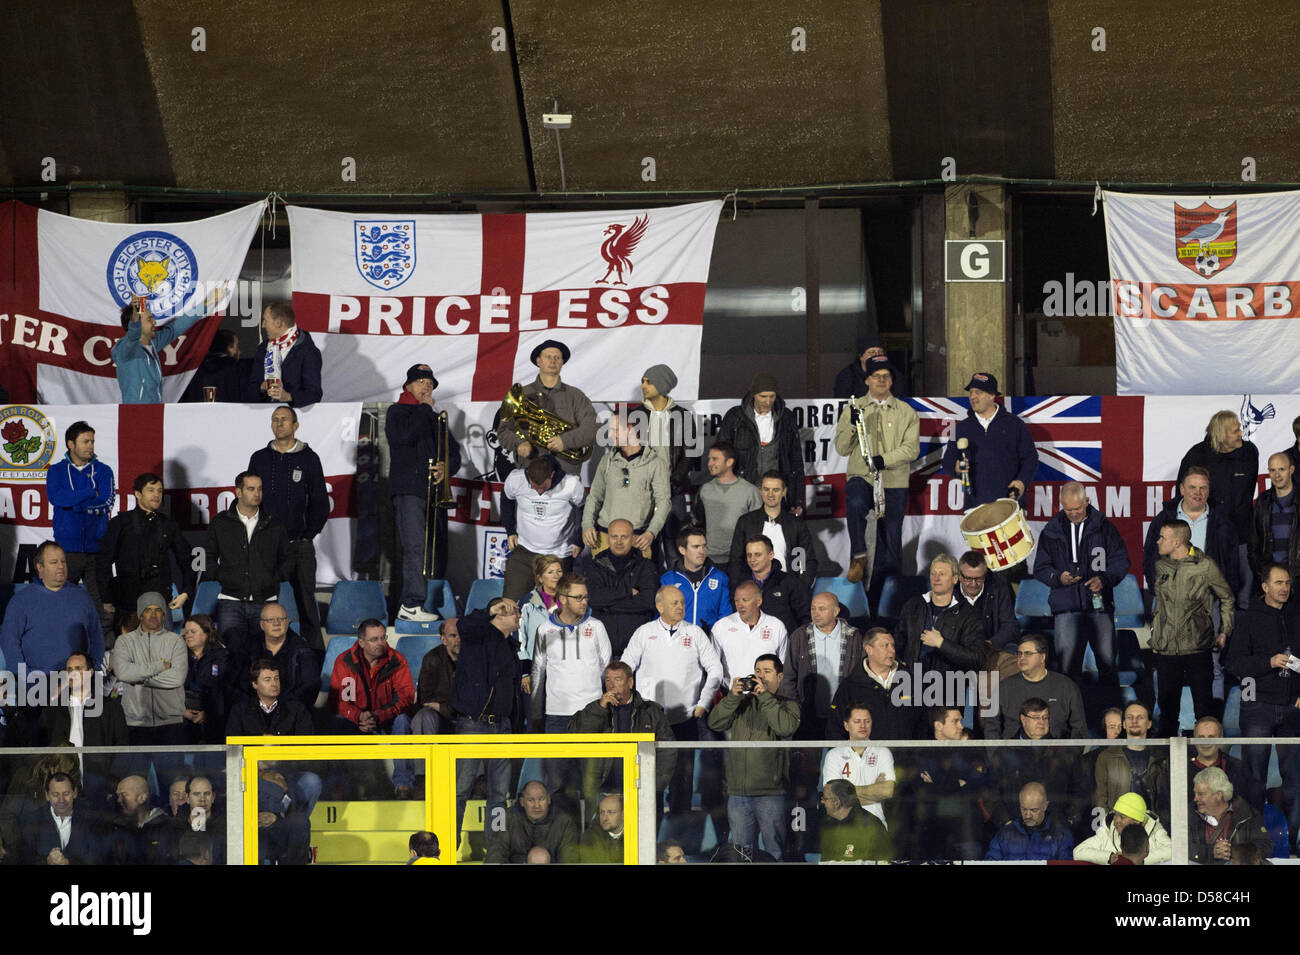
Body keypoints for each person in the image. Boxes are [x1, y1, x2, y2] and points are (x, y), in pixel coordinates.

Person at [622, 586, 723, 813]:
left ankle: (679, 837)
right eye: (674, 603)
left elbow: (715, 669)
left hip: (685, 720)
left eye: (682, 603)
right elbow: (625, 668)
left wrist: (703, 703)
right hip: (649, 722)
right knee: (650, 783)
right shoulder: (644, 632)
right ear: (660, 606)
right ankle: (651, 836)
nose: (680, 607)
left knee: (682, 783)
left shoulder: (695, 633)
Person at [1032, 481, 1130, 692]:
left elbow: (1120, 561)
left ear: (1087, 501)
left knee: (1107, 663)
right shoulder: (1051, 530)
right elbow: (1040, 568)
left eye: (1077, 509)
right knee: (1066, 668)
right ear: (1061, 505)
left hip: (1099, 606)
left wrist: (1104, 579)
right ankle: (1068, 720)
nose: (1073, 514)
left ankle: (1109, 717)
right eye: (1068, 510)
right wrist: (1058, 578)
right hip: (1066, 606)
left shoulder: (1105, 527)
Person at [834, 355, 919, 596]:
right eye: (876, 376)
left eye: (886, 376)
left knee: (890, 544)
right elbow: (841, 448)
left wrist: (884, 460)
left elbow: (911, 449)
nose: (881, 380)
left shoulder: (906, 412)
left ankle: (886, 603)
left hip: (894, 481)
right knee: (857, 501)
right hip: (863, 476)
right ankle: (859, 555)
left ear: (891, 381)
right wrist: (852, 425)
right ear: (867, 380)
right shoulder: (853, 407)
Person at [1223, 562, 1300, 826]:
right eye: (1279, 583)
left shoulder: (1296, 616)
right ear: (1265, 586)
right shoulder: (1248, 619)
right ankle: (1254, 840)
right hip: (1257, 706)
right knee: (1255, 778)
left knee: (1295, 779)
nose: (1285, 588)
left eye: (1288, 583)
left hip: (1293, 707)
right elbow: (1232, 664)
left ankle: (1292, 846)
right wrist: (1268, 662)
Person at [247, 404, 330, 650]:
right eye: (274, 420)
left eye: (284, 419)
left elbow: (320, 502)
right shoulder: (259, 458)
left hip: (298, 547)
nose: (279, 423)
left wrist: (308, 535)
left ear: (295, 425)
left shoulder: (309, 459)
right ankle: (260, 658)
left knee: (307, 606)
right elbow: (250, 499)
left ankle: (315, 658)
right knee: (261, 604)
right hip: (266, 547)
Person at [385, 363, 463, 617]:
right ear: (407, 386)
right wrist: (424, 410)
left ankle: (428, 604)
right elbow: (403, 437)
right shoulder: (398, 412)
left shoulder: (434, 416)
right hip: (409, 491)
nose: (426, 387)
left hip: (434, 493)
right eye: (421, 383)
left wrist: (445, 467)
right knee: (415, 547)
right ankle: (411, 604)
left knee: (436, 549)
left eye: (430, 384)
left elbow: (455, 454)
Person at [707, 653, 800, 860]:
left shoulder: (788, 705)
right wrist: (733, 697)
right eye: (757, 671)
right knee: (740, 853)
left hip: (771, 792)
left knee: (773, 852)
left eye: (767, 671)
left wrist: (765, 697)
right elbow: (714, 723)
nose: (761, 676)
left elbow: (785, 728)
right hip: (738, 792)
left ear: (780, 676)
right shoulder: (741, 702)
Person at [200, 471, 293, 677]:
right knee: (232, 658)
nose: (257, 493)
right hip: (230, 601)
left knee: (265, 659)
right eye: (251, 489)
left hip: (266, 602)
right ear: (238, 492)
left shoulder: (274, 524)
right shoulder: (220, 523)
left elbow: (288, 558)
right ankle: (235, 705)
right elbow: (204, 557)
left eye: (260, 489)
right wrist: (223, 576)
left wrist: (273, 578)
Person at [1150, 519, 1234, 736]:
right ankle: (1165, 764)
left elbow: (1226, 598)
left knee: (1204, 712)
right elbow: (1161, 606)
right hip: (1167, 651)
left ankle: (1206, 762)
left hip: (1198, 648)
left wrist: (1224, 631)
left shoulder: (1205, 566)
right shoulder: (1161, 566)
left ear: (1177, 542)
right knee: (1167, 714)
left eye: (1163, 537)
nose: (1157, 541)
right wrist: (1156, 637)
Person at [452, 597, 526, 841]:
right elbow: (463, 625)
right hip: (474, 722)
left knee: (499, 793)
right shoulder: (477, 637)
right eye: (513, 610)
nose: (518, 614)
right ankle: (447, 844)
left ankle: (496, 847)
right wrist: (489, 609)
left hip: (502, 726)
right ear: (499, 615)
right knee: (460, 789)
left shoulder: (510, 645)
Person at [530, 575, 611, 794]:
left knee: (591, 786)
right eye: (578, 597)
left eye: (585, 597)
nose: (584, 602)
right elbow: (538, 673)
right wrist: (536, 714)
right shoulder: (545, 630)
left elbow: (607, 671)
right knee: (556, 786)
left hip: (591, 717)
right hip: (557, 718)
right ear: (562, 599)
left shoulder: (597, 627)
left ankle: (591, 829)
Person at [569, 662, 676, 813]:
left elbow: (668, 751)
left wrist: (654, 786)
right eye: (607, 680)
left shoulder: (651, 711)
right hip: (602, 792)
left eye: (617, 679)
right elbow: (574, 735)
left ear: (630, 682)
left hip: (641, 792)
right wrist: (600, 709)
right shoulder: (596, 708)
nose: (611, 685)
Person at [327, 619, 415, 796]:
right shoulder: (345, 661)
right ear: (361, 642)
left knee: (403, 721)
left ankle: (403, 785)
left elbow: (405, 698)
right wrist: (358, 716)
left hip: (386, 718)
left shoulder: (397, 660)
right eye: (374, 639)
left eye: (383, 638)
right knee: (336, 722)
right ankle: (339, 786)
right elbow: (339, 700)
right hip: (357, 721)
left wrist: (379, 715)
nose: (381, 643)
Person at [96, 472, 195, 625]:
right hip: (127, 604)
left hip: (160, 602)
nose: (156, 495)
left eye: (160, 491)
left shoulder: (168, 524)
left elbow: (186, 559)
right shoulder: (121, 523)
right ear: (137, 494)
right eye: (151, 490)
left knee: (163, 648)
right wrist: (107, 597)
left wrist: (186, 592)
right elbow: (103, 561)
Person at [44, 420, 115, 632]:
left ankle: (102, 651)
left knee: (102, 604)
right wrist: (87, 494)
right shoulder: (56, 471)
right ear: (71, 444)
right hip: (67, 550)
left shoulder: (104, 470)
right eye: (85, 441)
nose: (90, 446)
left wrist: (74, 506)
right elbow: (57, 498)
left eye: (92, 441)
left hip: (97, 549)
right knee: (63, 602)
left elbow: (106, 503)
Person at [987, 698, 1091, 839]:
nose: (1041, 722)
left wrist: (1069, 821)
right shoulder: (1005, 752)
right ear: (1023, 720)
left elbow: (1081, 789)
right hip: (1014, 834)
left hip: (1056, 834)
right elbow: (990, 792)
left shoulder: (1064, 752)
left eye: (1045, 717)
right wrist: (1006, 822)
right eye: (1036, 717)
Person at [0, 541, 104, 676]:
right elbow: (9, 641)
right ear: (40, 567)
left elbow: (96, 636)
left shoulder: (82, 597)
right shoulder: (21, 601)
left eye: (63, 561)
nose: (61, 566)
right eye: (54, 562)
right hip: (36, 682)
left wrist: (93, 671)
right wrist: (24, 677)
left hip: (76, 683)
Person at [497, 339, 598, 477]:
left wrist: (565, 441)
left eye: (557, 357)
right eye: (548, 357)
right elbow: (503, 431)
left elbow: (590, 428)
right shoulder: (520, 394)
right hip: (528, 470)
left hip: (565, 473)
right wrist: (519, 444)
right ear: (538, 361)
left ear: (562, 363)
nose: (553, 361)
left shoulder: (576, 396)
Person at [35, 652, 128, 796]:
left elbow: (122, 746)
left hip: (100, 788)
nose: (73, 674)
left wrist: (113, 783)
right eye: (69, 670)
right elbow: (41, 745)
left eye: (78, 669)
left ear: (90, 673)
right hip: (62, 789)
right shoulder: (53, 710)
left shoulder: (110, 708)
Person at [940, 372, 1038, 508]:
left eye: (978, 392)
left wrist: (1022, 481)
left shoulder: (1015, 424)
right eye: (971, 392)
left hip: (1010, 504)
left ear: (992, 395)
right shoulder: (960, 428)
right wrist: (955, 467)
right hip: (975, 507)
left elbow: (1030, 457)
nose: (973, 396)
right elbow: (947, 461)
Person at [895, 554, 984, 702]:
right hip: (911, 685)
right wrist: (900, 665)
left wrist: (941, 644)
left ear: (955, 579)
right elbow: (898, 642)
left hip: (948, 690)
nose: (936, 578)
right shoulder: (913, 606)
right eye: (933, 573)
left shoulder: (969, 614)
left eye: (942, 574)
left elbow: (976, 659)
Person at [635, 365, 700, 564]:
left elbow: (691, 453)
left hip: (674, 492)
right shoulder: (636, 415)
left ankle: (677, 591)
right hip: (644, 492)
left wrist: (675, 480)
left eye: (649, 381)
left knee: (674, 548)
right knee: (647, 550)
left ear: (662, 385)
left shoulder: (683, 415)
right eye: (643, 381)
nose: (643, 385)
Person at [1142, 467, 1240, 598]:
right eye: (1192, 487)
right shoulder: (1164, 519)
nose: (1197, 493)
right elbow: (1150, 557)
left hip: (1210, 601)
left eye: (1203, 488)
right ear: (1182, 489)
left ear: (1208, 490)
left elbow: (1232, 562)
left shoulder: (1222, 521)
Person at [582, 415, 670, 558]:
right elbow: (594, 496)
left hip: (638, 539)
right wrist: (587, 525)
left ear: (630, 429)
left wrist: (651, 533)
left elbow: (664, 501)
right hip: (604, 537)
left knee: (639, 581)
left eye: (614, 430)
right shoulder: (607, 461)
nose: (610, 435)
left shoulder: (655, 463)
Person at [906, 706, 987, 860]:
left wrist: (935, 786)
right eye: (955, 721)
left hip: (966, 833)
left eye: (961, 721)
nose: (961, 726)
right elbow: (921, 793)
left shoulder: (970, 751)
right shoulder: (922, 754)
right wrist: (958, 784)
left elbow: (978, 784)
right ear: (938, 726)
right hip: (933, 835)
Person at [716, 373, 805, 512]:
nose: (768, 401)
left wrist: (797, 498)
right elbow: (720, 457)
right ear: (753, 394)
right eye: (763, 396)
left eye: (772, 396)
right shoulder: (735, 418)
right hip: (743, 492)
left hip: (776, 494)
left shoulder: (787, 418)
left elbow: (796, 459)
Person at [1177, 409, 1259, 560]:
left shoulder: (1249, 453)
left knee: (1245, 581)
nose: (1241, 433)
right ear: (1222, 435)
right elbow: (1181, 498)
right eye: (1236, 431)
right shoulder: (1196, 456)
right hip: (1208, 538)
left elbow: (1249, 490)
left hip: (1242, 536)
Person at [501, 455, 585, 602]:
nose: (539, 491)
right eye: (535, 487)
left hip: (558, 553)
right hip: (525, 551)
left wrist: (579, 540)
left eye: (543, 487)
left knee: (560, 607)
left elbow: (586, 510)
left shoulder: (571, 484)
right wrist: (510, 530)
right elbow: (506, 498)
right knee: (509, 605)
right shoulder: (516, 479)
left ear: (551, 475)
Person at [111, 592, 188, 748]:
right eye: (148, 610)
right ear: (140, 614)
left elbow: (177, 678)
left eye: (158, 609)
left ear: (164, 614)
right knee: (135, 773)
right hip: (135, 723)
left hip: (171, 723)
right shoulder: (124, 641)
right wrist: (160, 666)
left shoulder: (176, 641)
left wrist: (138, 678)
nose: (153, 614)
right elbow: (123, 673)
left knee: (173, 773)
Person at [784, 591, 864, 735]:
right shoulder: (799, 636)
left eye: (822, 609)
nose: (816, 613)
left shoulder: (853, 637)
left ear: (836, 611)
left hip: (844, 715)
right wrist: (796, 709)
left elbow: (861, 676)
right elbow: (788, 678)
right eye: (813, 608)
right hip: (809, 717)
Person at [578, 519, 659, 658]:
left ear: (633, 538)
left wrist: (606, 606)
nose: (619, 541)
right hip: (601, 649)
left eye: (624, 537)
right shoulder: (594, 565)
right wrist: (627, 592)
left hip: (637, 649)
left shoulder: (646, 566)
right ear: (608, 538)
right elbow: (594, 599)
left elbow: (648, 602)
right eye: (614, 536)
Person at [981, 633, 1087, 740]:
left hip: (1056, 753)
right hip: (1013, 753)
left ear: (1042, 657)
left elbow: (1079, 728)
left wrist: (1069, 755)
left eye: (1028, 653)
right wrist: (997, 755)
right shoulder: (1003, 687)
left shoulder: (1066, 686)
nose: (1022, 658)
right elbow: (991, 727)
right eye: (1019, 654)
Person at [113, 294, 210, 404]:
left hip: (155, 412)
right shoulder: (125, 349)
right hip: (134, 414)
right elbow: (133, 333)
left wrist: (207, 303)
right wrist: (137, 312)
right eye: (149, 319)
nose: (154, 322)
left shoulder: (152, 343)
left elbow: (176, 327)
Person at [729, 471, 819, 590]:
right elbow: (736, 561)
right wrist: (740, 590)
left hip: (787, 590)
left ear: (784, 491)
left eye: (775, 490)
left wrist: (800, 587)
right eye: (766, 489)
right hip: (753, 591)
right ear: (760, 490)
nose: (770, 494)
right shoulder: (746, 522)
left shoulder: (796, 524)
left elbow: (806, 560)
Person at [830, 627, 923, 741]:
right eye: (885, 645)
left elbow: (922, 723)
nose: (892, 650)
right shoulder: (850, 685)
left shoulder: (912, 681)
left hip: (905, 756)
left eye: (893, 645)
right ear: (869, 649)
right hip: (866, 756)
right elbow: (835, 726)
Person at [690, 440, 761, 579]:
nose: (709, 463)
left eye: (715, 459)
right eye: (709, 459)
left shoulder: (749, 491)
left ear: (729, 462)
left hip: (740, 561)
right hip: (710, 560)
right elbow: (697, 522)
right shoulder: (705, 490)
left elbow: (758, 528)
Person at [821, 705, 895, 830]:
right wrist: (874, 790)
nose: (863, 726)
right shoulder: (834, 755)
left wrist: (847, 793)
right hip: (843, 825)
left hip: (876, 825)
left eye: (867, 721)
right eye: (857, 721)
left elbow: (887, 791)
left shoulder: (883, 752)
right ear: (846, 725)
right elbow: (833, 797)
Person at [1093, 702, 1169, 819]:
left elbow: (1165, 799)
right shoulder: (1107, 757)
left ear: (1149, 724)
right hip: (1117, 827)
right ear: (1124, 723)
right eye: (1130, 717)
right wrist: (1106, 828)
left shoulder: (1160, 758)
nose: (1134, 721)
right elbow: (1100, 798)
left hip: (1151, 826)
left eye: (1140, 717)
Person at [711, 581, 789, 689]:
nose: (740, 605)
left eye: (745, 600)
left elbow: (783, 665)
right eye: (736, 601)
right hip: (732, 697)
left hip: (766, 697)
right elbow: (713, 666)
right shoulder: (721, 626)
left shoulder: (776, 626)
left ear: (758, 601)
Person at [245, 301, 323, 407]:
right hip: (262, 415)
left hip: (292, 418)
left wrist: (288, 397)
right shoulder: (263, 349)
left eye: (265, 320)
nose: (263, 325)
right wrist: (262, 387)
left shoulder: (308, 352)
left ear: (278, 323)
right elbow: (250, 390)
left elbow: (314, 394)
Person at [1190, 767, 1273, 865]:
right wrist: (1210, 852)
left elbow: (1265, 846)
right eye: (1195, 793)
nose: (1195, 798)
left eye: (1200, 794)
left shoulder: (1248, 814)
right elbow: (1179, 847)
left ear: (1218, 795)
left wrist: (1234, 852)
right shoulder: (1188, 815)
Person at [244, 603, 321, 708]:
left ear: (287, 623)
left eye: (281, 619)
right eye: (270, 620)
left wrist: (279, 708)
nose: (276, 623)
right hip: (254, 710)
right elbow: (239, 686)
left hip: (292, 712)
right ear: (262, 625)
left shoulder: (304, 651)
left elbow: (309, 686)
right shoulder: (248, 647)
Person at [484, 780, 578, 864]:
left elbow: (569, 859)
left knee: (540, 856)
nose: (536, 806)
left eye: (541, 799)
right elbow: (495, 853)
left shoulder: (564, 821)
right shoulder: (508, 818)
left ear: (549, 799)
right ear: (522, 802)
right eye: (530, 800)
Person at [22, 772, 106, 865]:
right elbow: (25, 859)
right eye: (55, 794)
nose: (61, 800)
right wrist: (47, 861)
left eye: (66, 793)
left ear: (75, 793)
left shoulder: (91, 818)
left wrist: (68, 862)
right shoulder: (32, 819)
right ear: (47, 795)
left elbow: (97, 857)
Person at [661, 524, 733, 631]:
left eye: (704, 546)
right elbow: (661, 617)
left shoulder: (719, 577)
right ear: (682, 550)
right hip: (678, 643)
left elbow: (725, 617)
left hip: (709, 643)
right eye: (696, 547)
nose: (702, 551)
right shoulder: (668, 579)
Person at [734, 534, 811, 634]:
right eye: (749, 555)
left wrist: (797, 645)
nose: (752, 559)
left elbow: (805, 618)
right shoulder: (740, 584)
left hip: (785, 645)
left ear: (771, 555)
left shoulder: (790, 583)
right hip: (749, 645)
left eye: (758, 554)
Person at [984, 781, 1075, 861]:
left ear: (1045, 806)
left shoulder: (1061, 836)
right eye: (1024, 809)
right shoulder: (1005, 835)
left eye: (1034, 810)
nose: (1028, 815)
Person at [1074, 792, 1171, 865]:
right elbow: (1078, 852)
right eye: (1115, 815)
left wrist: (1137, 860)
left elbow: (1172, 851)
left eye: (1122, 817)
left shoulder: (1154, 830)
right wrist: (1109, 857)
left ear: (1137, 821)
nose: (1116, 820)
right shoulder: (1108, 830)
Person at [226, 658, 316, 736]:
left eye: (276, 678)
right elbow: (232, 749)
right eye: (267, 680)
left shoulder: (297, 710)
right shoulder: (240, 711)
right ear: (254, 684)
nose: (274, 684)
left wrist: (278, 746)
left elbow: (305, 745)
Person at [1249, 452, 1300, 588]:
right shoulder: (1263, 502)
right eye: (1273, 470)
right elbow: (1254, 542)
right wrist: (1262, 573)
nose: (1277, 475)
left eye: (1281, 469)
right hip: (1271, 582)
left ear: (1291, 470)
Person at [180, 615, 233, 745]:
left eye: (193, 632)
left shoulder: (221, 655)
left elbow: (222, 692)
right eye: (186, 632)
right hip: (182, 709)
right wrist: (181, 711)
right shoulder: (178, 654)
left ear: (206, 633)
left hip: (211, 710)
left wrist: (207, 713)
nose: (188, 636)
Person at [956, 550, 1020, 653]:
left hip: (990, 647)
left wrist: (990, 644)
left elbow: (1010, 626)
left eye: (978, 579)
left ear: (985, 575)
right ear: (959, 576)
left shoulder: (999, 588)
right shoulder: (948, 590)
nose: (973, 584)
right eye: (968, 578)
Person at [817, 778, 891, 863]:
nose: (822, 802)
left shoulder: (868, 826)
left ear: (836, 802)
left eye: (825, 799)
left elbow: (883, 861)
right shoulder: (828, 823)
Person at [1188, 716, 1252, 812]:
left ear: (1221, 739)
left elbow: (1244, 808)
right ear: (1194, 740)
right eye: (1201, 738)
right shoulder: (1183, 769)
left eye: (1211, 737)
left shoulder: (1237, 768)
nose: (1206, 743)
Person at [112, 775, 176, 865]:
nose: (119, 800)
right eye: (118, 795)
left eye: (124, 794)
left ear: (142, 798)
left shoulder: (167, 828)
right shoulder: (116, 828)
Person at [412, 618, 459, 735]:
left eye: (462, 634)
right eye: (453, 636)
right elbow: (426, 700)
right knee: (424, 717)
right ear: (443, 639)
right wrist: (446, 710)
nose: (459, 640)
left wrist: (442, 707)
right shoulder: (432, 659)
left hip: (466, 717)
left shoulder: (475, 658)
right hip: (440, 716)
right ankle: (424, 753)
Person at [519, 553, 565, 665]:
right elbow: (519, 636)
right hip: (533, 665)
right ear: (540, 578)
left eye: (559, 571)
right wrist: (524, 669)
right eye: (550, 572)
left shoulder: (571, 602)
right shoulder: (527, 602)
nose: (556, 576)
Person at [180, 328, 246, 403]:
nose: (239, 351)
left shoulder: (194, 367)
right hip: (227, 413)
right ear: (229, 348)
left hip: (195, 413)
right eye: (237, 346)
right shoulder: (235, 367)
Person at [834, 335, 903, 399]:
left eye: (880, 352)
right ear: (861, 356)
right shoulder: (847, 375)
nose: (876, 355)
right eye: (871, 352)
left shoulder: (895, 374)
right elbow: (840, 402)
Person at [579, 793, 626, 864]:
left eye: (610, 812)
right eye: (602, 812)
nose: (604, 818)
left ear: (623, 815)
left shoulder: (636, 833)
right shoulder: (589, 838)